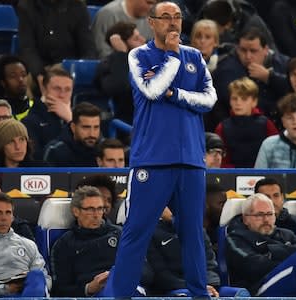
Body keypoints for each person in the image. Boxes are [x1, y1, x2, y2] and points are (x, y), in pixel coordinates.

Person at [102, 2, 217, 297]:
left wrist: (175, 93)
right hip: (152, 159)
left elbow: (209, 99)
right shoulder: (139, 55)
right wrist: (171, 57)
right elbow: (152, 91)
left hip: (191, 159)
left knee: (192, 234)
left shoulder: (195, 56)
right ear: (151, 22)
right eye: (166, 17)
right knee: (136, 232)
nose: (173, 23)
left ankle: (199, 294)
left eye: (177, 17)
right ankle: (121, 295)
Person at [50, 186, 152, 296]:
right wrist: (88, 288)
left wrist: (121, 275)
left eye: (100, 209)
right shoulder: (64, 244)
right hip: (94, 295)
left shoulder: (121, 235)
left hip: (127, 288)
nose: (96, 215)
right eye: (90, 209)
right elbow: (59, 290)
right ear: (76, 211)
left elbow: (147, 272)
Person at [209, 27, 289, 132]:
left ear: (266, 50)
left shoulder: (282, 64)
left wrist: (269, 77)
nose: (248, 56)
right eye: (243, 50)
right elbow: (229, 102)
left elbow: (294, 90)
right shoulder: (227, 69)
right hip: (237, 128)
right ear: (237, 49)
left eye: (253, 51)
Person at [147, 209, 221, 296]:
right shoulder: (151, 233)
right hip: (174, 288)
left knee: (238, 293)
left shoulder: (198, 230)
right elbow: (161, 275)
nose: (174, 208)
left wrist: (208, 285)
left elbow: (210, 265)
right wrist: (195, 287)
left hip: (205, 286)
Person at [16, 0, 94, 79]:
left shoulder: (78, 6)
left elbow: (89, 49)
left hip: (70, 71)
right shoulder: (26, 6)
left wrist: (74, 69)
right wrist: (41, 75)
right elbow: (27, 49)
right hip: (40, 71)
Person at [215, 77, 278, 168]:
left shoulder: (266, 124)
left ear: (254, 101)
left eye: (244, 99)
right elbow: (221, 159)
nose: (238, 103)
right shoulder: (222, 127)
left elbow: (275, 153)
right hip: (231, 176)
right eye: (234, 98)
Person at [96, 21, 146, 125]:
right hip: (131, 123)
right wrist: (122, 54)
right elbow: (119, 86)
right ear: (122, 44)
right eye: (136, 39)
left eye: (140, 36)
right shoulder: (108, 65)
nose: (143, 40)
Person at [22, 65, 73, 160]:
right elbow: (39, 157)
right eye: (57, 89)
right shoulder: (29, 122)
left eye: (67, 90)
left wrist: (70, 119)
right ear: (44, 90)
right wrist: (71, 124)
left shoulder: (78, 116)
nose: (62, 95)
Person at [90, 0, 155, 59]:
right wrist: (122, 54)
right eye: (148, 2)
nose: (151, 8)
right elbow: (102, 55)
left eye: (154, 4)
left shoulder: (151, 19)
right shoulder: (108, 14)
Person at [43, 102, 101, 167]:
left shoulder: (104, 150)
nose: (92, 134)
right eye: (86, 127)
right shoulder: (55, 151)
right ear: (73, 127)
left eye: (96, 127)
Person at [0, 55, 34, 120]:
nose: (20, 79)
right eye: (13, 76)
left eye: (23, 75)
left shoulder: (38, 107)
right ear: (3, 82)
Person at [204, 181, 227, 251]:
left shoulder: (226, 232)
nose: (226, 208)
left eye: (226, 203)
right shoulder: (192, 233)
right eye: (221, 204)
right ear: (205, 205)